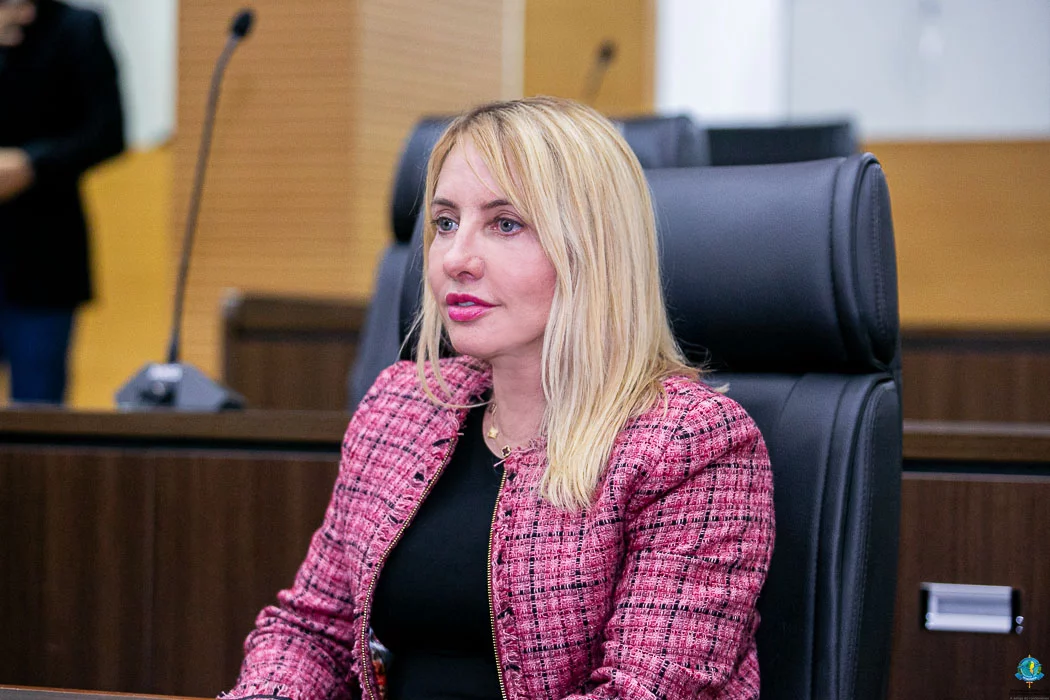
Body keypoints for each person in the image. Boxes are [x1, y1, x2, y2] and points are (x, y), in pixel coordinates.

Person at [224, 97, 775, 700]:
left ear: (592, 249)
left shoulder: (690, 442)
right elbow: (311, 630)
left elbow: (643, 690)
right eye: (445, 223)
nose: (456, 259)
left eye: (505, 224)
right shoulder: (402, 405)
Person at [0, 0, 124, 403]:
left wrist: (33, 164)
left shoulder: (76, 28)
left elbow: (108, 131)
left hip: (43, 256)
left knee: (37, 408)